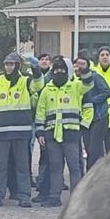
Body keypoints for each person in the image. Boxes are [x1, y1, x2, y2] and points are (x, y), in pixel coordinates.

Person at [0, 52, 40, 208]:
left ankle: (24, 196)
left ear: (17, 66)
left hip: (21, 131)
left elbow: (38, 85)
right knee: (0, 166)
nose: (9, 67)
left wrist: (36, 69)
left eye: (12, 64)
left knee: (22, 166)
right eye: (7, 64)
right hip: (0, 131)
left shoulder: (26, 80)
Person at [34, 57, 89, 208]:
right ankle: (54, 197)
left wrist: (84, 70)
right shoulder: (47, 90)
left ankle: (76, 199)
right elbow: (40, 112)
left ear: (68, 71)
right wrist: (39, 133)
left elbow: (88, 84)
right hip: (52, 135)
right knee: (55, 166)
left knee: (74, 167)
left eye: (62, 70)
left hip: (71, 134)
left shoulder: (76, 86)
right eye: (56, 70)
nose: (59, 73)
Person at [73, 56, 110, 170]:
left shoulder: (95, 77)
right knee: (89, 149)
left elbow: (107, 92)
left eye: (82, 64)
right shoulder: (74, 81)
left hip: (99, 117)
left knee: (94, 150)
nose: (79, 67)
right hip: (84, 120)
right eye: (77, 64)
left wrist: (91, 101)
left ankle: (92, 174)